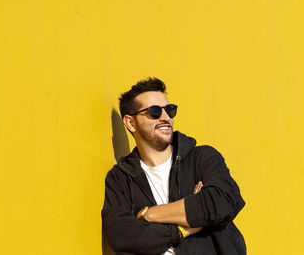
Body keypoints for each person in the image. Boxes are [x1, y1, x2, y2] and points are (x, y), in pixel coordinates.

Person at [101, 77, 246, 255]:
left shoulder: (201, 158)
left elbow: (222, 201)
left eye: (169, 110)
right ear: (131, 122)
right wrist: (182, 228)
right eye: (154, 111)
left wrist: (149, 214)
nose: (165, 117)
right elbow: (120, 234)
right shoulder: (120, 178)